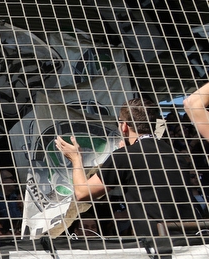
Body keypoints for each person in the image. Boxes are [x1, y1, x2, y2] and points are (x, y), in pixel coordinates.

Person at [55, 98, 198, 238]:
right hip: (189, 237)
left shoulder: (124, 157)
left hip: (157, 241)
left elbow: (82, 192)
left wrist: (76, 159)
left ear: (123, 126)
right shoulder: (177, 156)